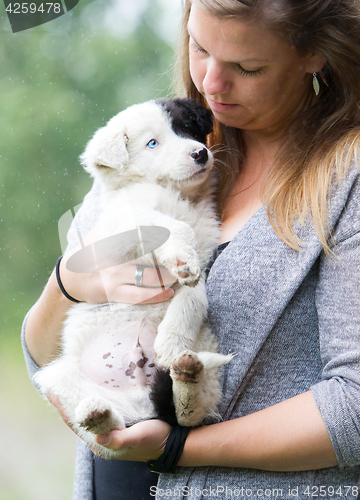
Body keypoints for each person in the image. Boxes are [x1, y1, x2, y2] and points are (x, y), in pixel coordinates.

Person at [22, 0, 360, 499]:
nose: (210, 83)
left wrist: (181, 447)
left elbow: (353, 410)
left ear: (314, 55)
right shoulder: (154, 143)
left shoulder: (346, 182)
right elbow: (42, 358)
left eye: (247, 67)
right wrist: (72, 283)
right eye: (199, 46)